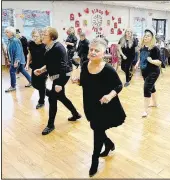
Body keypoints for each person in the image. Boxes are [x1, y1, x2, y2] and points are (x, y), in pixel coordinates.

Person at [71, 38, 126, 177]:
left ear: (103, 53)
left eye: (97, 50)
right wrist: (78, 82)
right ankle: (109, 144)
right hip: (90, 104)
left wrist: (109, 95)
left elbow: (119, 85)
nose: (93, 52)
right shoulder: (84, 64)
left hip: (105, 105)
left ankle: (94, 161)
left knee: (97, 132)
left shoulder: (107, 69)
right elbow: (85, 82)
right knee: (96, 128)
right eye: (91, 49)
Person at [34, 27, 81, 135]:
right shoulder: (48, 46)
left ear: (52, 37)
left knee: (52, 98)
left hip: (63, 74)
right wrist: (42, 69)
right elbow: (51, 63)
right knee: (61, 97)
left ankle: (50, 125)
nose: (42, 36)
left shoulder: (58, 47)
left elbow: (63, 66)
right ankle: (76, 114)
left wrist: (59, 83)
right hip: (57, 75)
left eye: (44, 34)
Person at [135, 28, 162, 117]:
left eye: (148, 36)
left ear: (152, 38)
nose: (146, 37)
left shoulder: (155, 49)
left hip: (153, 72)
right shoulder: (143, 47)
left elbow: (159, 62)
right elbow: (141, 57)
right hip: (144, 71)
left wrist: (151, 61)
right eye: (145, 35)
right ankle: (154, 103)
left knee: (147, 88)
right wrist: (137, 63)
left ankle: (145, 111)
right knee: (152, 87)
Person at [4, 26, 32, 93]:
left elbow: (18, 51)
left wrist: (16, 61)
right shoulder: (10, 40)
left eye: (7, 32)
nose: (5, 33)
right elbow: (9, 51)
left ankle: (13, 86)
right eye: (5, 32)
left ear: (11, 33)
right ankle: (32, 82)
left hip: (17, 60)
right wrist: (9, 58)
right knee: (22, 70)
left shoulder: (15, 40)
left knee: (12, 71)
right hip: (16, 60)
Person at [26, 28, 47, 109]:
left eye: (36, 36)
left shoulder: (45, 45)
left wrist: (44, 68)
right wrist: (27, 64)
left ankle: (41, 102)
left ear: (41, 36)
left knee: (41, 85)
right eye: (33, 36)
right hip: (34, 67)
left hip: (43, 68)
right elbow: (29, 54)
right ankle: (47, 92)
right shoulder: (31, 44)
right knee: (34, 84)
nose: (34, 38)